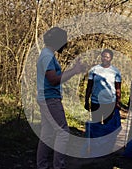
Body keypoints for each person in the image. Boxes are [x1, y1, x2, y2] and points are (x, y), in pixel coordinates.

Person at [36, 27, 85, 169]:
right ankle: (58, 166)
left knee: (47, 133)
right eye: (64, 41)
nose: (66, 44)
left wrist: (73, 70)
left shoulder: (48, 54)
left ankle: (42, 166)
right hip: (50, 99)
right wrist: (74, 71)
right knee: (63, 132)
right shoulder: (47, 56)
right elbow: (53, 80)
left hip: (47, 98)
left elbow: (54, 78)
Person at [84, 49, 121, 124]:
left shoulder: (115, 71)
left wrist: (118, 102)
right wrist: (86, 100)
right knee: (95, 124)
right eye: (103, 56)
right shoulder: (94, 69)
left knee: (108, 125)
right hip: (95, 101)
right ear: (101, 57)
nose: (105, 58)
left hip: (110, 102)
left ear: (111, 58)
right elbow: (89, 86)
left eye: (107, 57)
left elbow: (118, 88)